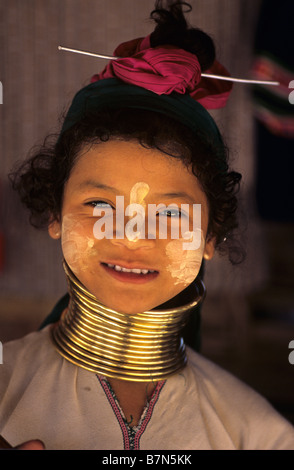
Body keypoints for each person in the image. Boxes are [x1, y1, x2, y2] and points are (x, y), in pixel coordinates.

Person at [0, 1, 293, 450]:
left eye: (172, 214)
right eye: (100, 204)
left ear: (210, 237)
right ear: (56, 216)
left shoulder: (256, 433)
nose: (133, 235)